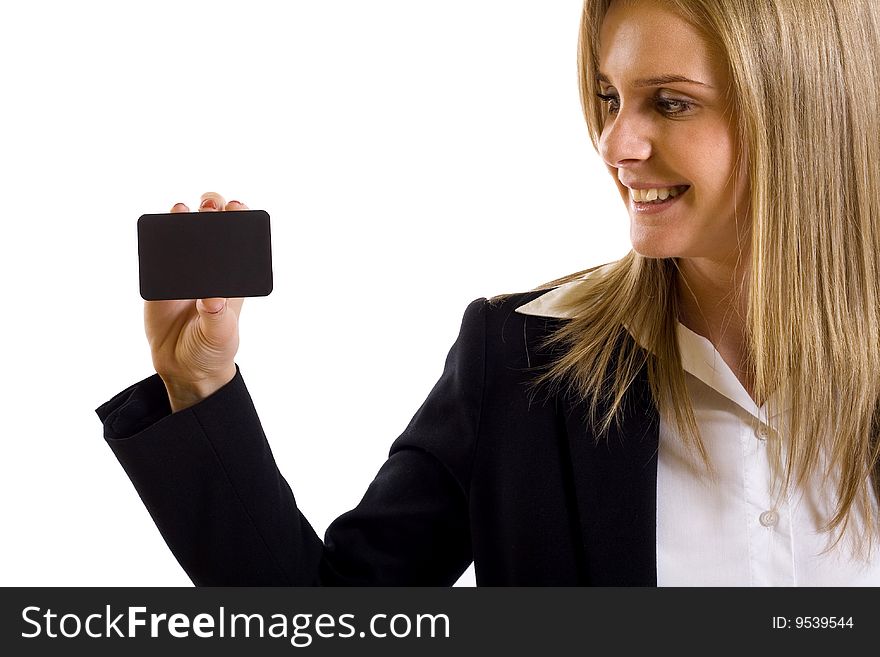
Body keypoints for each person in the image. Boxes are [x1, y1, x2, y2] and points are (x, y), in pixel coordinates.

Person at [95, 0, 880, 585]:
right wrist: (199, 385)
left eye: (669, 102)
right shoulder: (520, 361)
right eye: (609, 98)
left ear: (804, 113)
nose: (616, 144)